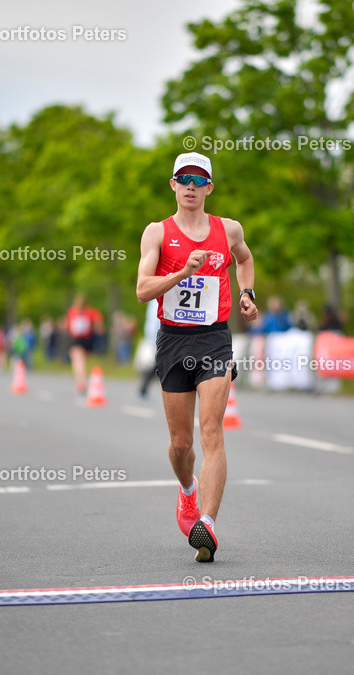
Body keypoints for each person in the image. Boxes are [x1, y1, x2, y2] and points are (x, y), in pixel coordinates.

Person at [135, 152, 259, 562]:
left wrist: (246, 293)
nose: (190, 185)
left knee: (211, 432)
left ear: (209, 187)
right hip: (173, 341)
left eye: (198, 179)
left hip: (214, 341)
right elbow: (143, 290)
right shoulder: (156, 232)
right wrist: (182, 273)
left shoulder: (229, 229)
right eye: (183, 178)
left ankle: (207, 522)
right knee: (180, 443)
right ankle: (188, 492)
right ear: (173, 184)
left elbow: (245, 258)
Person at [64, 295, 104, 394]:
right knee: (81, 360)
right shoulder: (90, 312)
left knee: (78, 360)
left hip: (77, 339)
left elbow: (67, 326)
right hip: (88, 340)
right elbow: (100, 324)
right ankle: (81, 381)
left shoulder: (72, 312)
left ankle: (81, 381)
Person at [138, 299, 161, 399]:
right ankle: (143, 388)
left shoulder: (154, 302)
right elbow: (154, 321)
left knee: (157, 365)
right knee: (158, 364)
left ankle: (143, 388)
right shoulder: (157, 302)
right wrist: (153, 339)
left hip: (157, 337)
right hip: (158, 337)